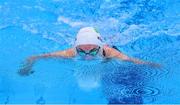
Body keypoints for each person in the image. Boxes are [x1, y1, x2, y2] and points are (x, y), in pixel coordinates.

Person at [18, 27, 160, 76]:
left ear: (100, 47)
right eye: (82, 51)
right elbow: (34, 57)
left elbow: (133, 61)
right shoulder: (70, 53)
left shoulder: (110, 53)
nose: (87, 57)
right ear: (76, 48)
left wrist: (155, 66)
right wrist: (27, 66)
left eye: (92, 52)